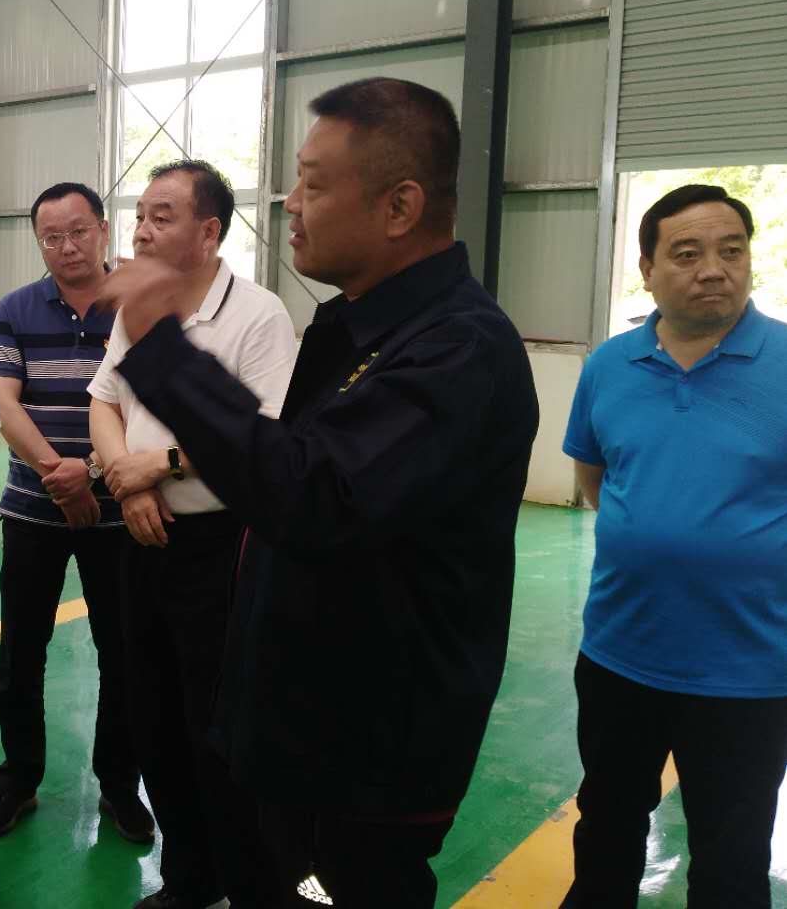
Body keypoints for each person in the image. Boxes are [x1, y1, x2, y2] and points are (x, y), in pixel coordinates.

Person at [99, 78, 539, 907]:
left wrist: (163, 349)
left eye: (311, 183)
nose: (289, 203)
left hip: (365, 757)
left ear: (399, 206)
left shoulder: (458, 350)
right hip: (302, 728)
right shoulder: (359, 327)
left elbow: (313, 496)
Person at [560, 184, 787, 908]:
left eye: (731, 251)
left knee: (731, 856)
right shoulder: (608, 366)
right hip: (620, 654)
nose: (713, 269)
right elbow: (596, 477)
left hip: (751, 669)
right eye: (686, 254)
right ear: (648, 269)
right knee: (605, 829)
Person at [88, 160, 296, 909]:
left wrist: (159, 466)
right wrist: (126, 480)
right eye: (141, 214)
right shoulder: (139, 310)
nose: (142, 230)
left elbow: (266, 432)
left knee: (216, 727)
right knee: (153, 717)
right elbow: (104, 401)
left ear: (209, 232)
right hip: (141, 538)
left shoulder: (259, 315)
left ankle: (243, 882)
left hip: (221, 546)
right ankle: (188, 879)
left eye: (163, 216)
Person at [0, 182, 153, 845]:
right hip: (33, 509)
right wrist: (61, 475)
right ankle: (18, 781)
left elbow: (148, 406)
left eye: (78, 231)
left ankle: (119, 785)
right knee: (20, 655)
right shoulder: (15, 309)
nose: (67, 246)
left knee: (123, 655)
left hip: (122, 512)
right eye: (52, 236)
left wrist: (95, 472)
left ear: (103, 230)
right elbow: (5, 405)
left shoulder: (139, 305)